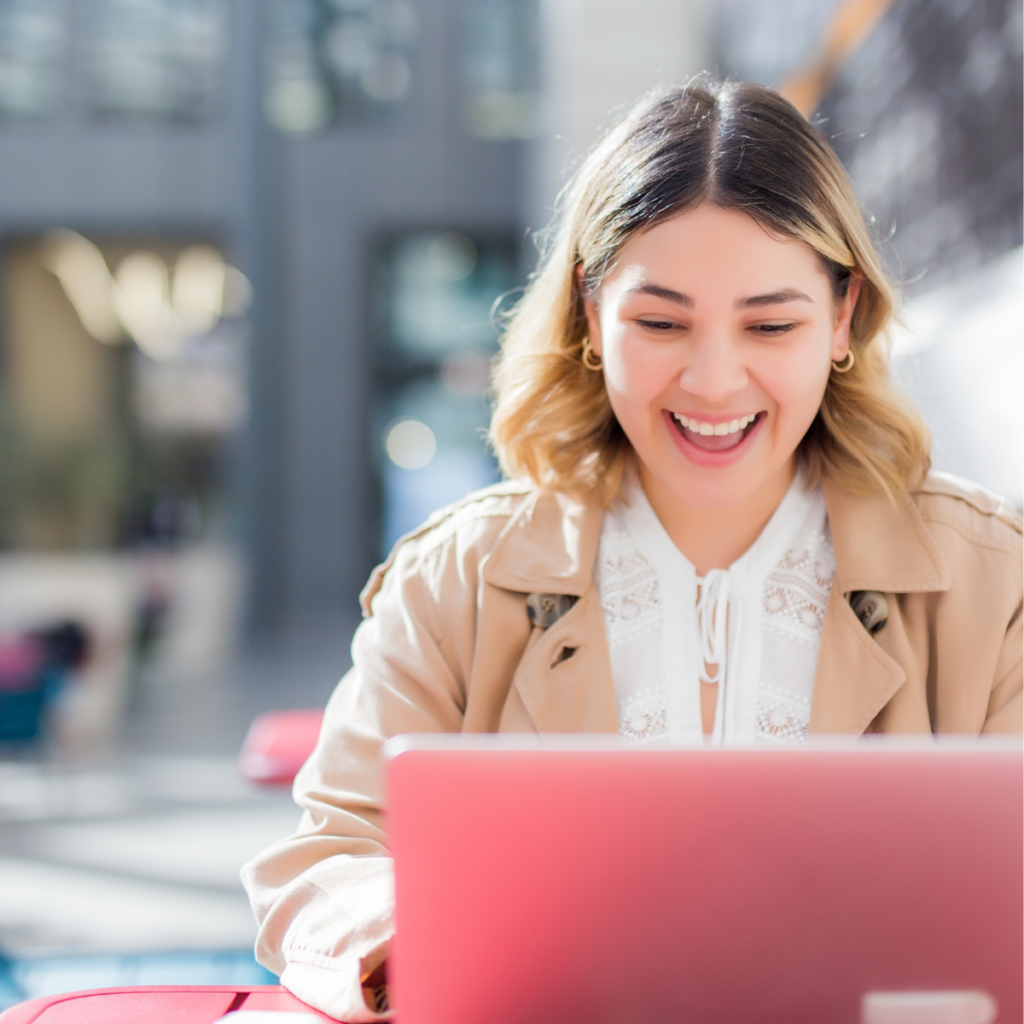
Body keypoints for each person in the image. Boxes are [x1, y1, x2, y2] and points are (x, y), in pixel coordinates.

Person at [241, 79, 1022, 1022]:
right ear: (591, 312)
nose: (714, 379)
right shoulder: (461, 578)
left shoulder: (992, 578)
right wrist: (401, 934)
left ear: (844, 316)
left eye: (771, 325)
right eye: (660, 323)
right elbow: (328, 854)